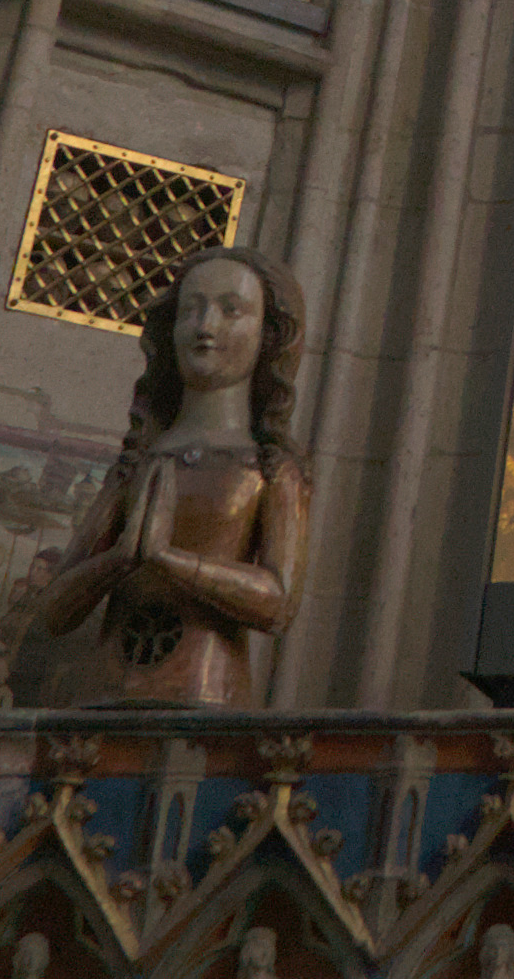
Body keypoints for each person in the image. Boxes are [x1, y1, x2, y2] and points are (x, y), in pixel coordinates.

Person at [20, 250, 312, 710]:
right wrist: (119, 559)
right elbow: (54, 609)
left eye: (230, 310)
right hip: (104, 698)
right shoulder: (140, 462)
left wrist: (170, 561)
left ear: (269, 336)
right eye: (191, 309)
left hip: (206, 697)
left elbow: (279, 602)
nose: (205, 327)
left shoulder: (270, 467)